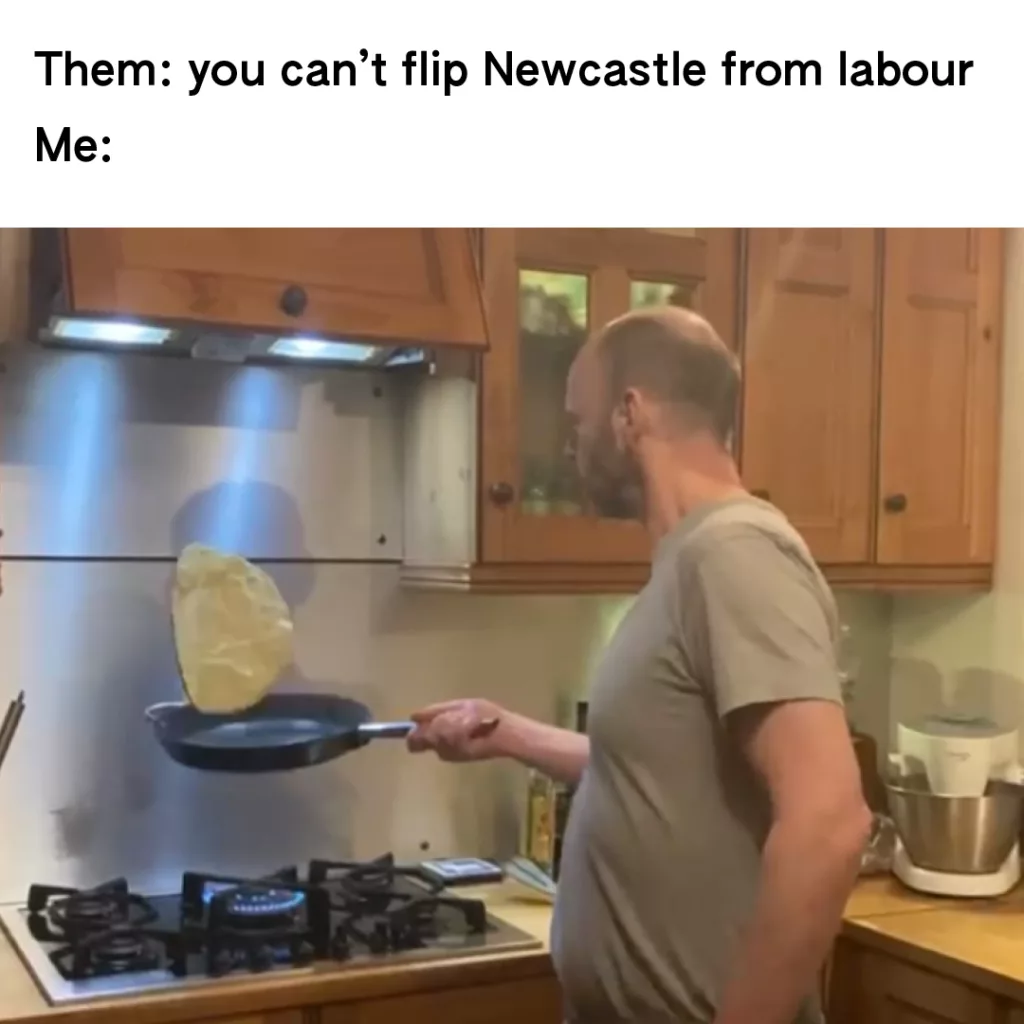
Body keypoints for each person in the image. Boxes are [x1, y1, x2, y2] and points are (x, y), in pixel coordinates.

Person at [406, 306, 872, 1024]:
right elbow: (659, 772)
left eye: (578, 420)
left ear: (630, 414)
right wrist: (504, 733)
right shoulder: (688, 561)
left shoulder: (735, 555)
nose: (571, 446)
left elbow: (830, 821)